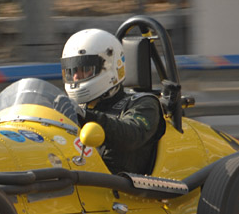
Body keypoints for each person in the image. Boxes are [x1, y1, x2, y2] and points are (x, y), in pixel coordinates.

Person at [60, 28, 165, 175]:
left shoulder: (144, 104)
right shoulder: (74, 108)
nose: (76, 77)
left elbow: (131, 135)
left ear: (110, 66)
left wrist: (86, 116)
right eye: (72, 70)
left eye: (85, 69)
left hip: (121, 190)